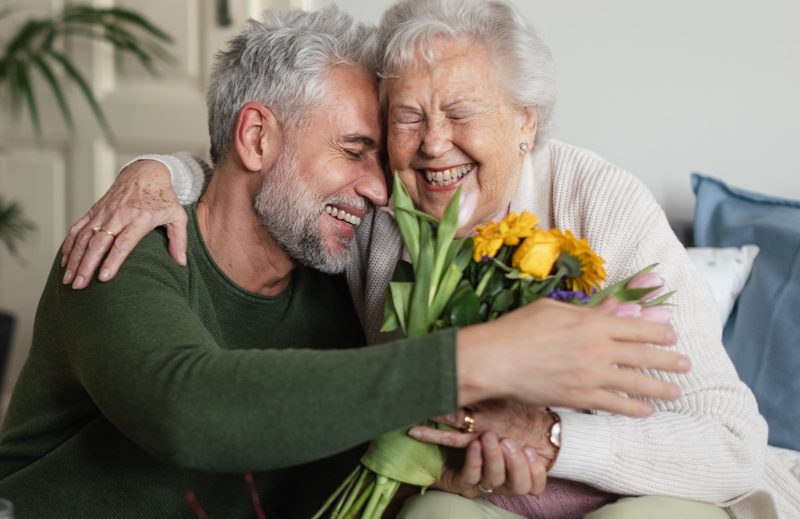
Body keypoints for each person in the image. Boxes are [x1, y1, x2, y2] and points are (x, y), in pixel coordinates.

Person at [61, 0, 800, 518]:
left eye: (462, 112)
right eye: (403, 120)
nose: (429, 145)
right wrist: (157, 173)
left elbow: (732, 442)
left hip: (636, 491)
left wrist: (553, 436)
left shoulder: (599, 204)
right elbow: (268, 183)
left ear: (526, 121)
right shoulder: (381, 218)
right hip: (471, 495)